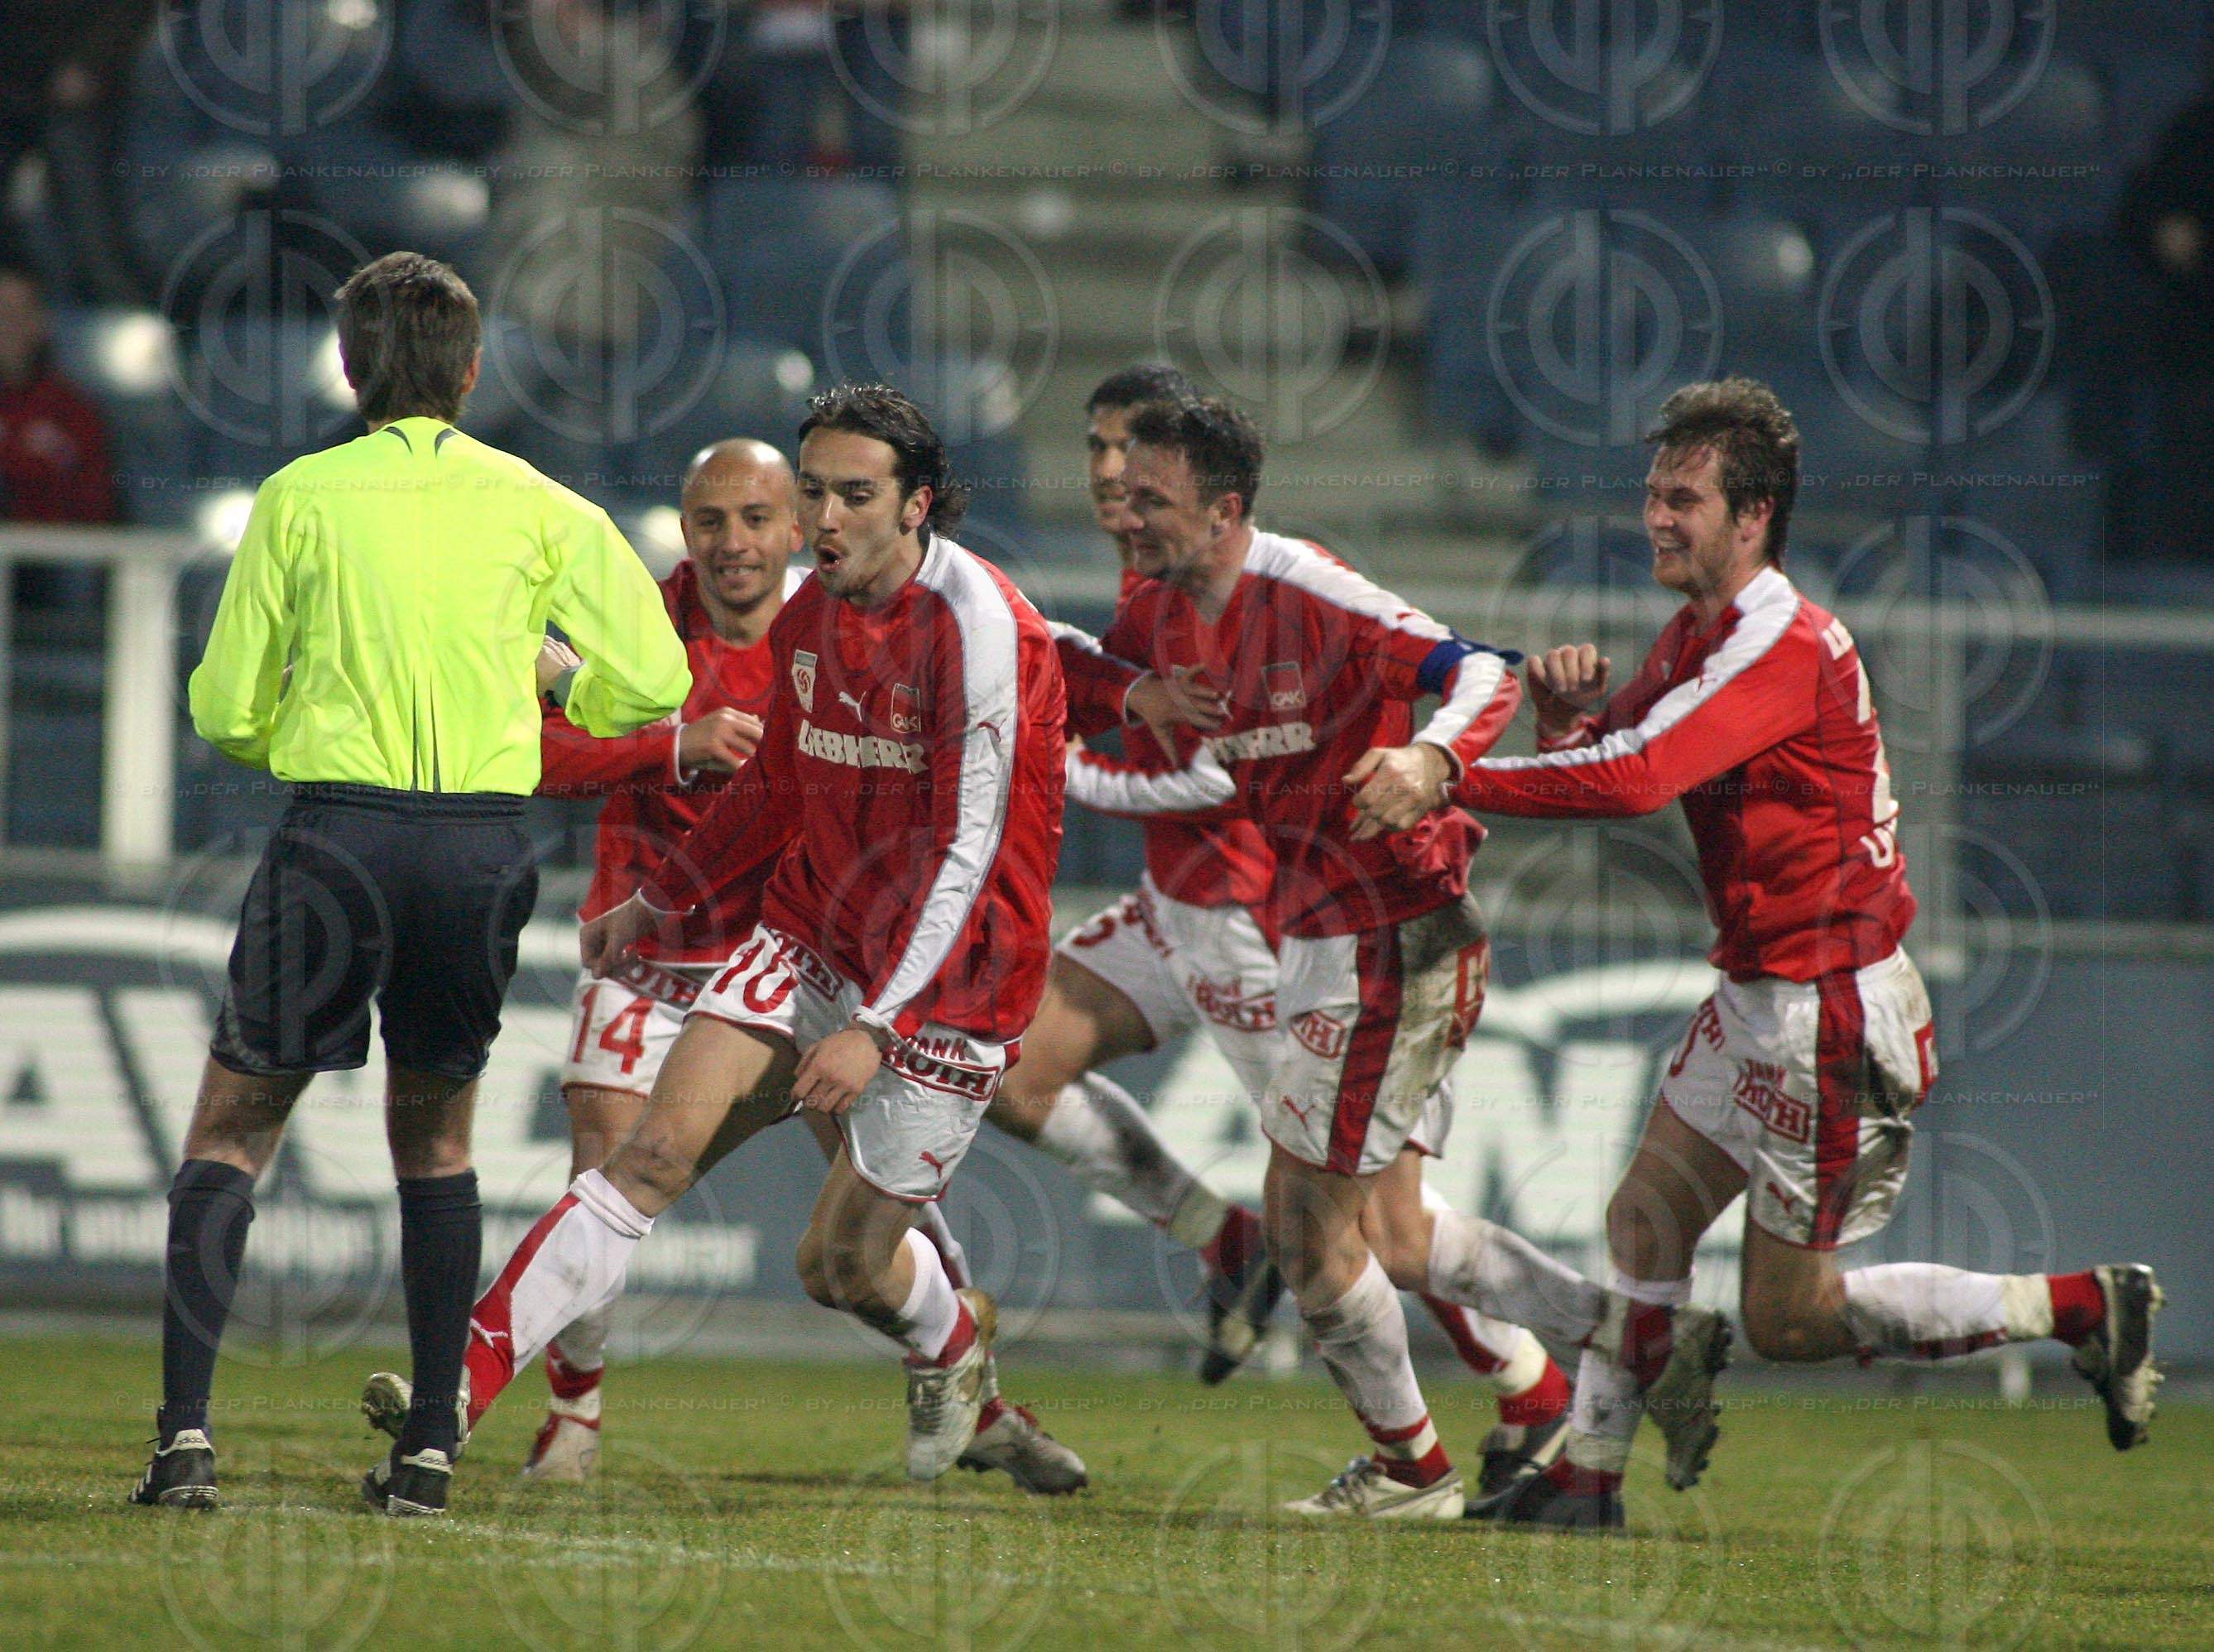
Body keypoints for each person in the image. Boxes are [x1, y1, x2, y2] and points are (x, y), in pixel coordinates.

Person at [1400, 377, 2164, 1529]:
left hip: (1830, 1010)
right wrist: (1562, 725)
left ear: (1753, 516)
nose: (1657, 517)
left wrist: (1449, 771)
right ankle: (1589, 1482)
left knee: (1788, 1320)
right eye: (1653, 494)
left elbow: (1640, 779)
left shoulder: (1779, 644)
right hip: (1765, 990)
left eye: (1684, 499)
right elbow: (1616, 751)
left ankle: (2080, 1310)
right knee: (1645, 1219)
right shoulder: (1705, 631)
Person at [377, 383, 1069, 1492]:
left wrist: (880, 1031)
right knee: (642, 1155)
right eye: (817, 493)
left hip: (950, 988)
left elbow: (969, 853)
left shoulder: (983, 631)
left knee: (838, 1267)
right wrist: (664, 896)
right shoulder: (813, 615)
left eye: (855, 496)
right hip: (807, 939)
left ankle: (953, 1353)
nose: (826, 520)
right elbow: (773, 791)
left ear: (917, 505)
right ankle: (455, 1392)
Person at [129, 252, 691, 1514]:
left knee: (232, 1126)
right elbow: (655, 680)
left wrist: (309, 739)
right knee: (435, 1137)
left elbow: (222, 709)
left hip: (340, 836)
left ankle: (182, 1447)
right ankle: (430, 1449)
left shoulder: (299, 497)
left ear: (349, 367)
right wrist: (558, 691)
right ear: (474, 370)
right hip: (480, 847)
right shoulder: (543, 504)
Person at [1056, 368, 1572, 1483]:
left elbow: (1478, 667)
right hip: (1233, 918)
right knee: (1024, 1061)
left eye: (1137, 473)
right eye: (1098, 456)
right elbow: (1169, 725)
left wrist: (1432, 757)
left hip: (1324, 927)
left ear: (1220, 503)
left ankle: (1554, 1378)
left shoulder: (1308, 591)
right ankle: (1536, 1384)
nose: (1110, 485)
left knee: (1363, 1226)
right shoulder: (1151, 607)